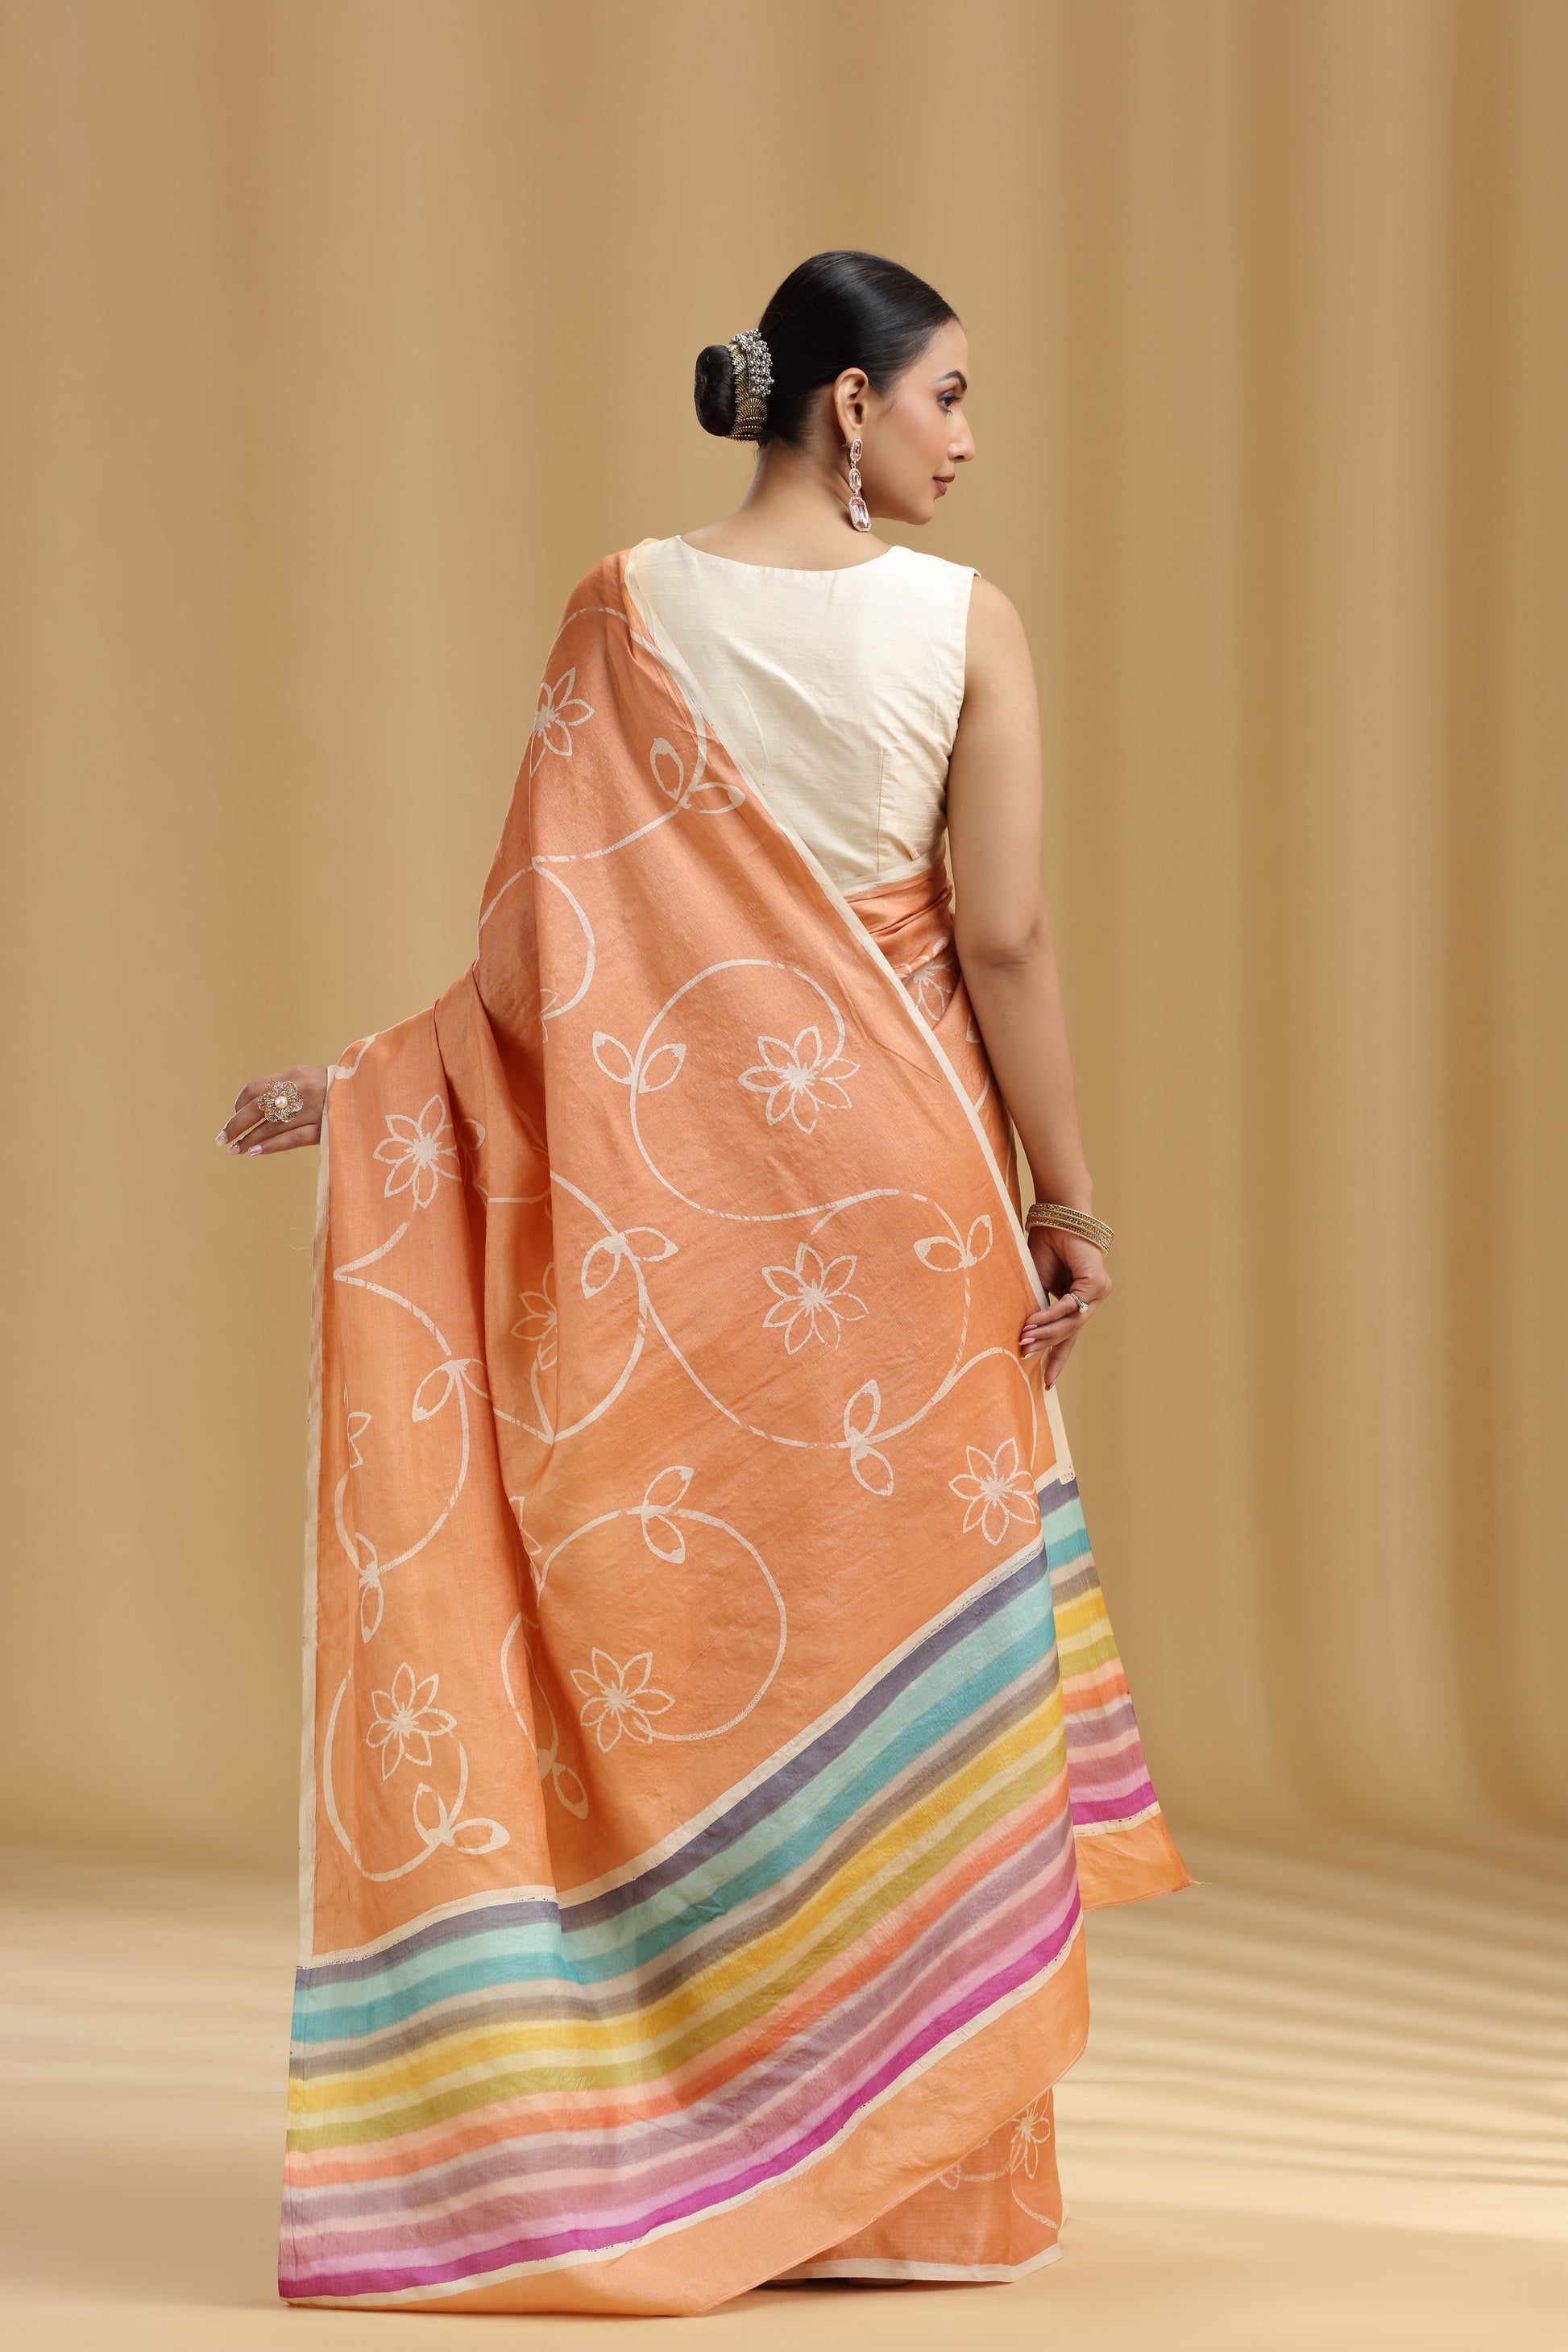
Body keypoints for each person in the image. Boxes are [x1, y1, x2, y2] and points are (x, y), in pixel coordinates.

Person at [220, 250, 1188, 2317]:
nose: (964, 436)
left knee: (711, 1638)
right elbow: (1003, 938)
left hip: (681, 1225)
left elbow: (552, 954)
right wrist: (1072, 1200)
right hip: (908, 1198)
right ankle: (907, 2195)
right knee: (886, 1636)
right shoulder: (965, 622)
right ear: (847, 402)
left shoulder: (622, 607)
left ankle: (687, 2138)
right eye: (944, 395)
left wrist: (375, 1087)